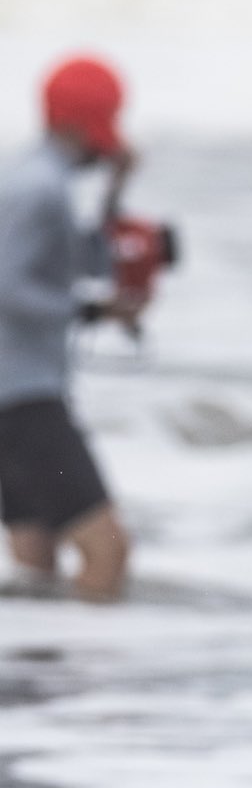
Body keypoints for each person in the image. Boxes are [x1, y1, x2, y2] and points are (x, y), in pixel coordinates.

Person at [0, 56, 138, 598]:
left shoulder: (25, 176)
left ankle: (35, 676)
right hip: (25, 400)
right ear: (84, 124)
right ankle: (94, 683)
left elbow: (86, 262)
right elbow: (5, 287)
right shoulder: (41, 190)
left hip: (12, 399)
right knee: (108, 550)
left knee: (35, 557)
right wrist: (93, 312)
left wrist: (114, 192)